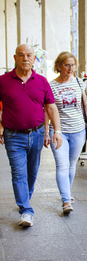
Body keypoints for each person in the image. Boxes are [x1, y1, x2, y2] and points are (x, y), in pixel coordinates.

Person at [0, 44, 62, 227]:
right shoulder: (3, 81)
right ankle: (26, 210)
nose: (25, 58)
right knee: (18, 173)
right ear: (15, 58)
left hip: (37, 134)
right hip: (13, 136)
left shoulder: (42, 81)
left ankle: (24, 198)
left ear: (34, 59)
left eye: (28, 55)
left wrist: (56, 131)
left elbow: (51, 108)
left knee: (32, 173)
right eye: (21, 55)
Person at [45, 51, 87, 214]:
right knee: (62, 165)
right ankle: (66, 200)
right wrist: (46, 131)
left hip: (78, 130)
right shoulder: (51, 85)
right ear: (58, 66)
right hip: (59, 131)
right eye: (67, 65)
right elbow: (47, 111)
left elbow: (85, 106)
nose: (70, 68)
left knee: (72, 164)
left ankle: (67, 192)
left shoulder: (79, 82)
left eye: (73, 65)